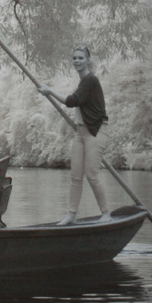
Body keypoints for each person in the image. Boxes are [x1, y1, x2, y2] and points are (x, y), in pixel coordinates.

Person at [38, 44, 109, 225]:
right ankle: (71, 215)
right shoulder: (83, 81)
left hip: (96, 132)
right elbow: (79, 103)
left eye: (80, 58)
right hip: (81, 133)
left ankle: (106, 214)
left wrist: (50, 91)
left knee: (92, 174)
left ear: (88, 60)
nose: (77, 61)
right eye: (74, 58)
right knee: (76, 176)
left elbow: (72, 101)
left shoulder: (90, 80)